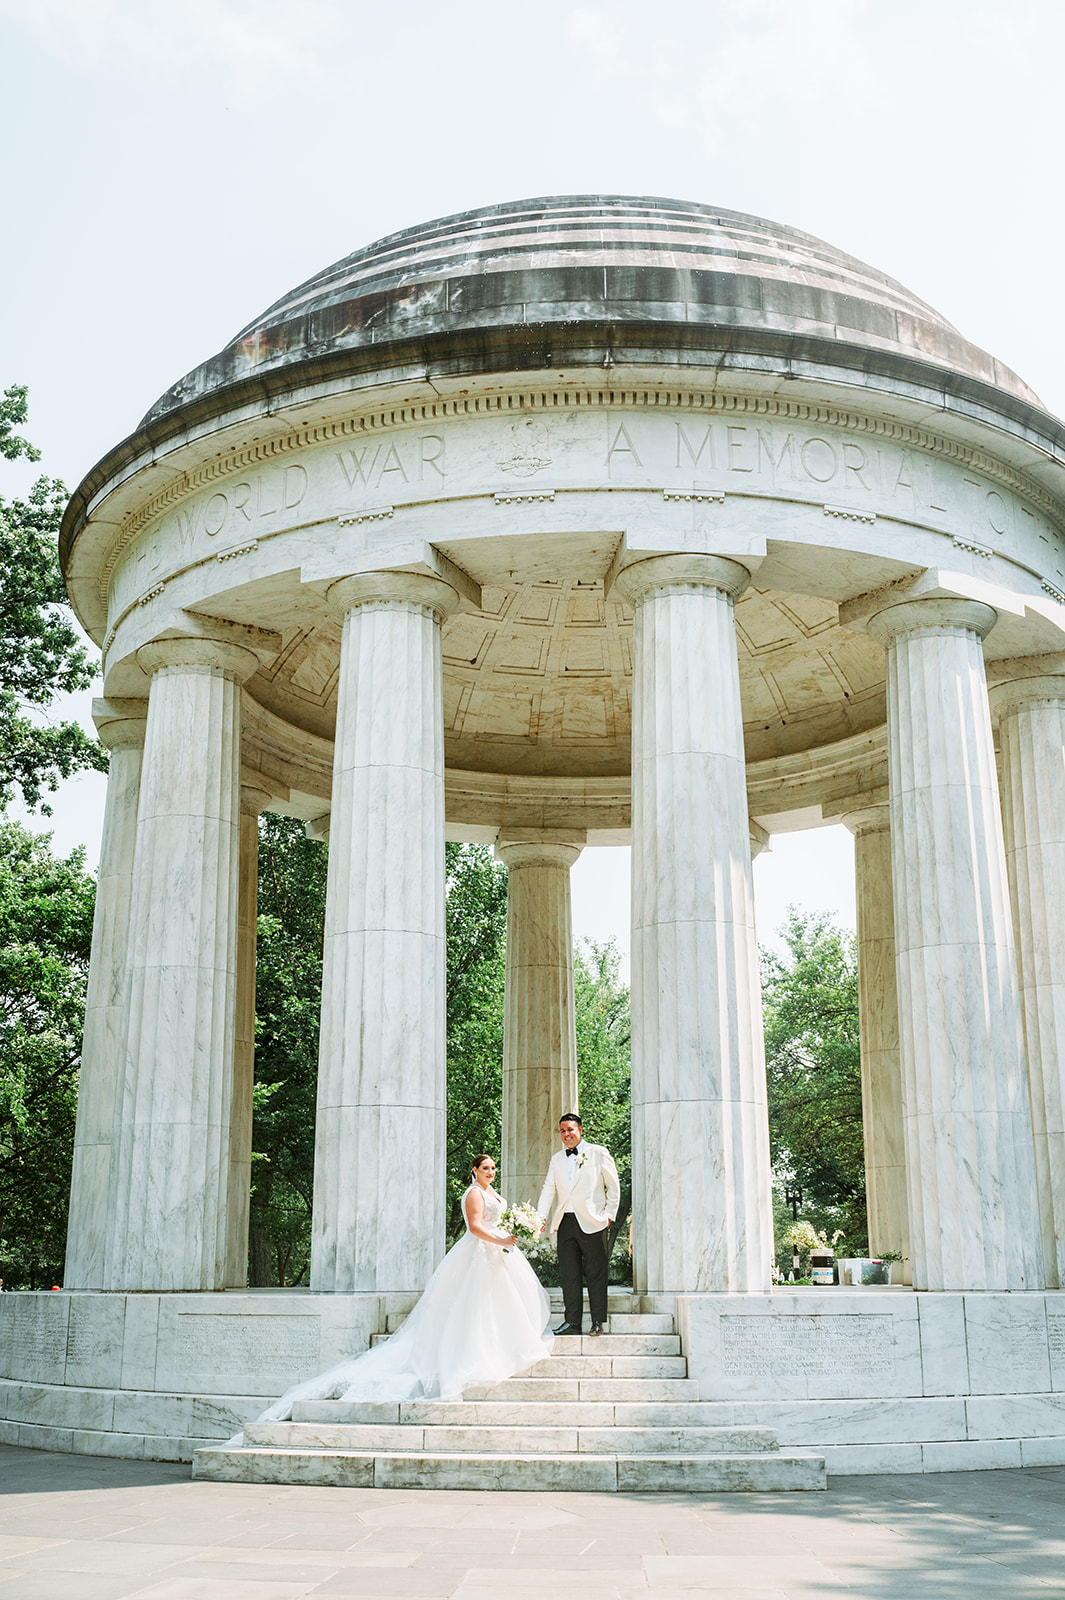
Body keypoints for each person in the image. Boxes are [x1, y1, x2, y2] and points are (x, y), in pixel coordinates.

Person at [255, 1156, 553, 1422]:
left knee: (500, 1302)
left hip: (498, 1252)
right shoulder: (474, 1194)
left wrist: (523, 1226)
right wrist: (499, 1240)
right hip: (479, 1253)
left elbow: (499, 1217)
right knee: (473, 1305)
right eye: (485, 1168)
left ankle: (501, 1342)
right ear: (474, 1171)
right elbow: (475, 1227)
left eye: (492, 1168)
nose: (490, 1172)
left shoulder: (492, 1192)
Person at [538, 1113, 620, 1337]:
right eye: (562, 1131)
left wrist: (608, 1216)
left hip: (593, 1222)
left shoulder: (598, 1153)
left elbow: (613, 1186)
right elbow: (548, 1189)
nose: (567, 1135)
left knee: (596, 1274)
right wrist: (540, 1217)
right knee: (569, 1275)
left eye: (570, 1130)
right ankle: (571, 1323)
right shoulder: (556, 1159)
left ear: (580, 1130)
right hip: (566, 1222)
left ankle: (596, 1322)